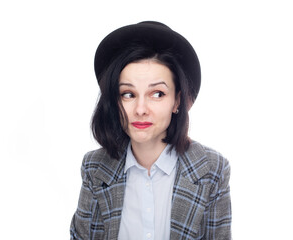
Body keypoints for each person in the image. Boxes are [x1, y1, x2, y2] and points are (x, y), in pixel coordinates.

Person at [70, 21, 231, 240]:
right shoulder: (94, 168)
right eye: (128, 94)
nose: (141, 109)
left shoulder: (212, 170)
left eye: (157, 94)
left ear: (177, 102)